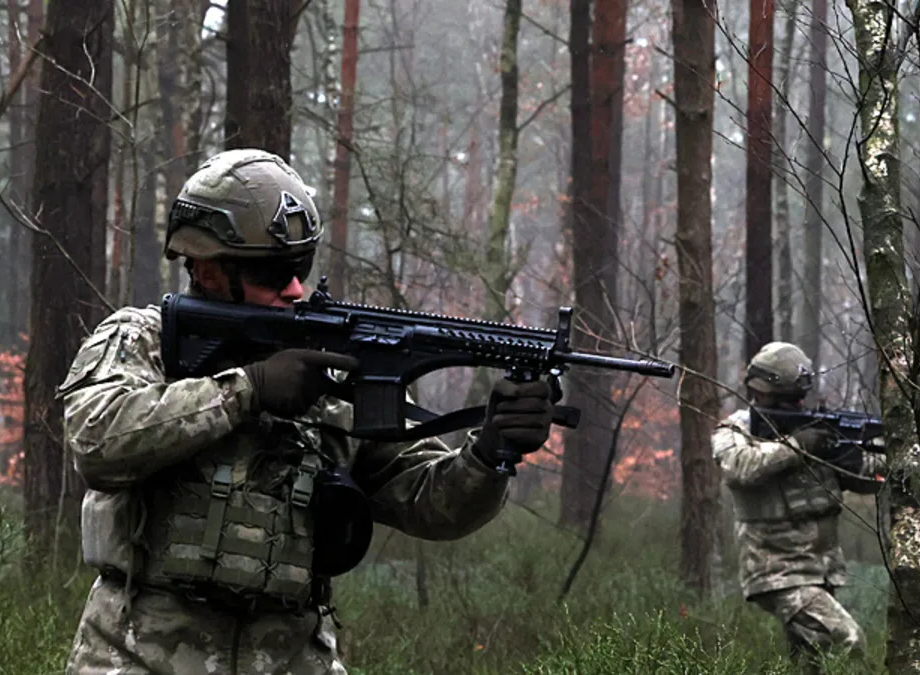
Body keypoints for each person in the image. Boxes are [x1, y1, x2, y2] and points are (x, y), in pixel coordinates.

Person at [63, 149, 556, 674]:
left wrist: (490, 451)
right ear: (207, 268)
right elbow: (97, 441)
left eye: (300, 268)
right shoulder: (144, 339)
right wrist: (247, 388)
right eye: (274, 273)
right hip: (139, 655)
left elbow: (429, 502)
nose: (295, 288)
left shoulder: (331, 371)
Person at [712, 342, 884, 670]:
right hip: (778, 571)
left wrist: (854, 458)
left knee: (809, 663)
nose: (797, 407)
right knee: (849, 640)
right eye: (786, 401)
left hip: (821, 569)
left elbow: (866, 480)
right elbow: (739, 467)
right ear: (759, 393)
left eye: (798, 400)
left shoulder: (817, 429)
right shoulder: (737, 429)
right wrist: (798, 446)